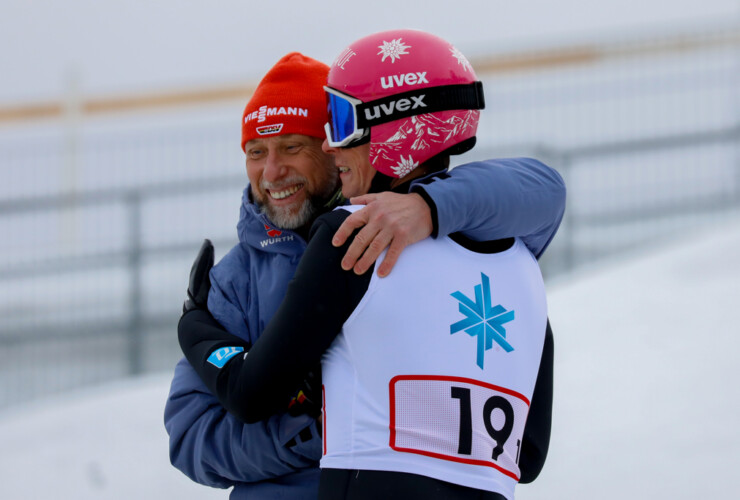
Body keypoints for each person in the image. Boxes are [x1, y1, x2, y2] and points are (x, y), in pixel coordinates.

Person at [177, 30, 560, 500]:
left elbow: (249, 394)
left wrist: (194, 327)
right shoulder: (518, 260)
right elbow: (527, 452)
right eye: (256, 152)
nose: (272, 170)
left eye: (303, 142)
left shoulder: (351, 236)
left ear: (392, 128)